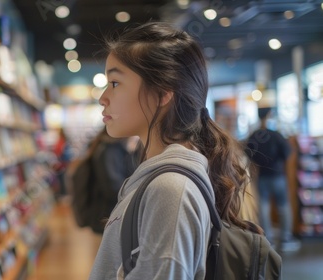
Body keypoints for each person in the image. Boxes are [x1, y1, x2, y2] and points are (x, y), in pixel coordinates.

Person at [89, 22, 257, 279]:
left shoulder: (170, 189)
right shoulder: (163, 181)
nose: (103, 97)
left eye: (114, 83)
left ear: (162, 93)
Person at [245, 107, 300, 252]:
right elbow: (288, 152)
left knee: (263, 207)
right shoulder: (276, 135)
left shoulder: (255, 135)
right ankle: (286, 237)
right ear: (269, 116)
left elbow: (248, 154)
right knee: (284, 206)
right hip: (278, 175)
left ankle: (268, 238)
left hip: (262, 176)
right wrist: (279, 162)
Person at [88, 127, 140, 234]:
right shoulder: (111, 151)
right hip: (110, 214)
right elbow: (113, 186)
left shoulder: (114, 149)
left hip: (112, 213)